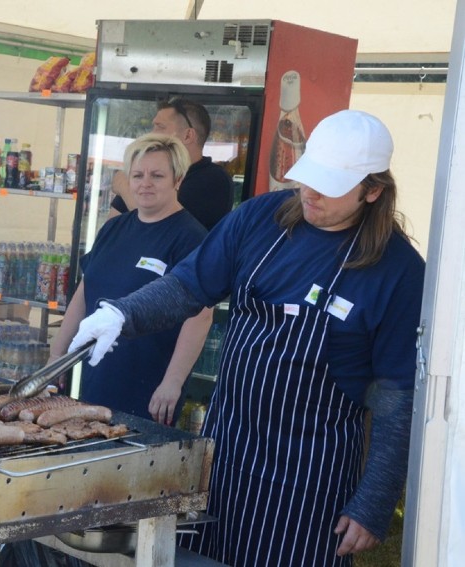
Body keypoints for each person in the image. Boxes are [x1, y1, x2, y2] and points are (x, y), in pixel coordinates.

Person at [68, 110, 425, 566]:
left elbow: (398, 398)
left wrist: (375, 500)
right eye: (308, 177)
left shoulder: (399, 272)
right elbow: (186, 287)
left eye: (329, 186)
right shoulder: (260, 219)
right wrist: (124, 313)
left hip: (310, 473)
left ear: (372, 191)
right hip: (228, 450)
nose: (309, 193)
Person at [51, 133, 212, 423]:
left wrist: (173, 382)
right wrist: (57, 357)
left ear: (178, 179)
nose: (145, 183)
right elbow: (83, 294)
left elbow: (200, 317)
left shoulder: (191, 238)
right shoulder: (113, 229)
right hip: (97, 377)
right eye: (137, 175)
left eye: (157, 175)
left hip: (150, 387)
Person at [107, 98, 234, 230]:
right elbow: (112, 226)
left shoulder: (213, 179)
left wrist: (123, 188)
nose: (151, 133)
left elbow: (163, 226)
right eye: (138, 176)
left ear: (188, 136)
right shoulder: (145, 171)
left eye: (160, 127)